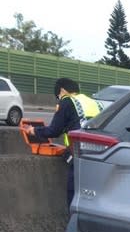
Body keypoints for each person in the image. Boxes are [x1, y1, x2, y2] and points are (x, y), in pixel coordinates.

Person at [23, 77, 103, 207]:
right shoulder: (94, 103)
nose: (59, 99)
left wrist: (34, 131)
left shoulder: (67, 101)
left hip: (80, 155)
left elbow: (54, 130)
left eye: (58, 96)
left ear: (62, 90)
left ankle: (74, 222)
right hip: (101, 155)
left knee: (74, 192)